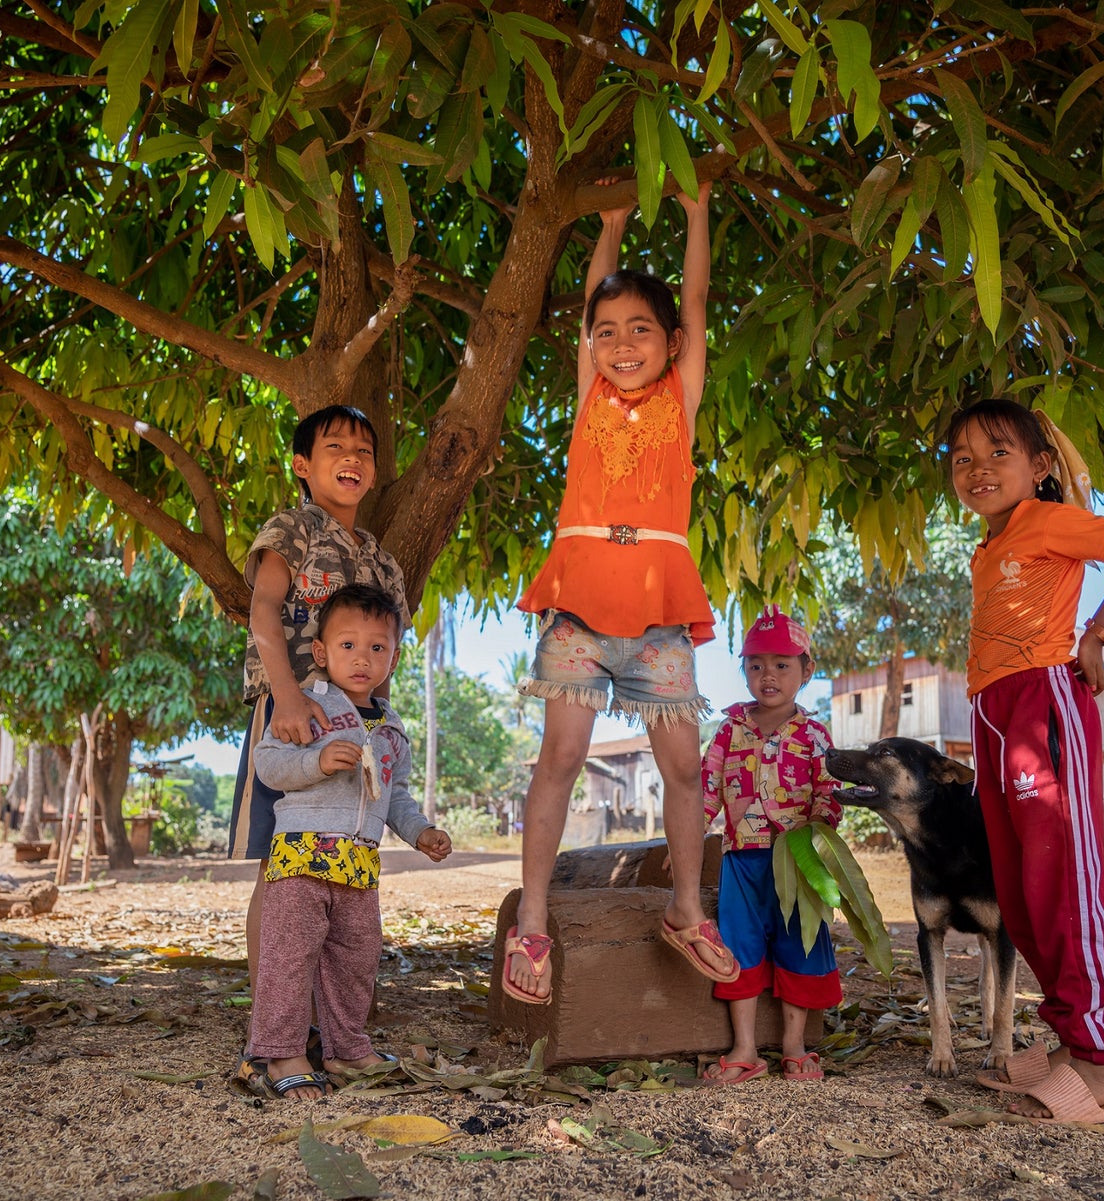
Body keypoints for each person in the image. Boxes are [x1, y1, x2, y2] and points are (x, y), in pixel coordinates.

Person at [502, 180, 737, 1004]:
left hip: (660, 618)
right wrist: (609, 225)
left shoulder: (681, 394)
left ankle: (683, 908)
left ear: (671, 343)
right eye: (608, 333)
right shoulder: (590, 395)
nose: (622, 342)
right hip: (577, 614)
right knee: (560, 757)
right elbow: (588, 312)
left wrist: (697, 212)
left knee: (682, 767)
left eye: (642, 329)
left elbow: (699, 298)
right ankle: (532, 919)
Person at [946, 398, 1104, 1123]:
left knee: (1064, 879)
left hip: (1044, 699)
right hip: (992, 710)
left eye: (998, 452)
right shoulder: (988, 545)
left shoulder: (1049, 519)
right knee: (1018, 887)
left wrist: (1099, 633)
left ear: (1040, 466)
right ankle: (1073, 1039)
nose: (977, 469)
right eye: (962, 458)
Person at [229, 404, 407, 1065]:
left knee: (341, 885)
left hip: (352, 736)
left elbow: (385, 663)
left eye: (364, 449)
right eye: (336, 447)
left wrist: (376, 738)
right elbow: (264, 608)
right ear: (303, 466)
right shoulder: (293, 528)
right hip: (289, 717)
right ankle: (279, 1025)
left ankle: (332, 1026)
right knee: (280, 879)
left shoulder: (383, 564)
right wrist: (286, 695)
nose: (352, 458)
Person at [242, 584, 451, 1100]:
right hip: (301, 856)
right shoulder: (307, 705)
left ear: (394, 657)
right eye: (349, 645)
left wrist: (420, 831)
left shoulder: (394, 728)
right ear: (322, 652)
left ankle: (346, 1047)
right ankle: (281, 1052)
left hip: (360, 862)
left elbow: (395, 794)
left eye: (377, 648)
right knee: (289, 956)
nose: (363, 659)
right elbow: (268, 765)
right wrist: (315, 761)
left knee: (356, 960)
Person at [699, 606, 840, 1085]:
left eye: (782, 665)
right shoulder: (728, 730)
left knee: (799, 944)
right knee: (738, 948)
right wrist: (690, 835)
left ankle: (794, 1047)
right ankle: (744, 1049)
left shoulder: (816, 736)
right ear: (743, 671)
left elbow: (828, 794)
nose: (768, 676)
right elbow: (705, 791)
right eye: (756, 665)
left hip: (797, 862)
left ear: (807, 671)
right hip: (741, 862)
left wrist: (821, 828)